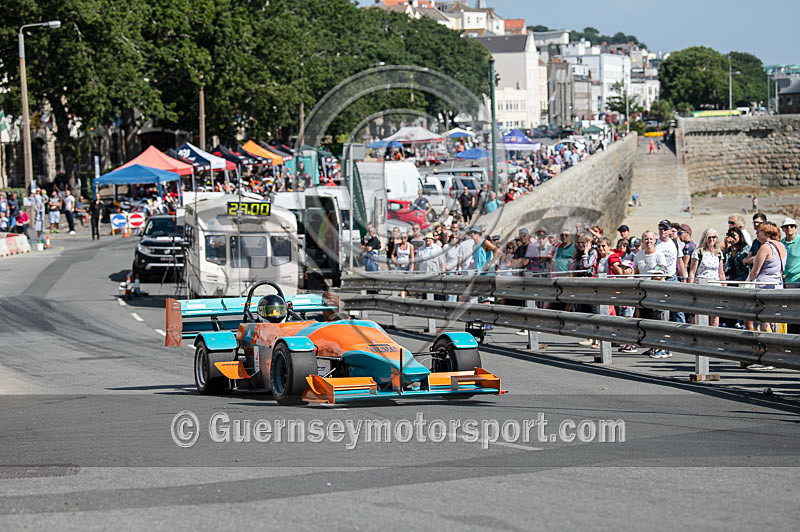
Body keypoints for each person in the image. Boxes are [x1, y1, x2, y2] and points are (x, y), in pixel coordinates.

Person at [747, 221, 787, 369]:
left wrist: (749, 282)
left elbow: (755, 271)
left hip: (764, 286)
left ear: (767, 233)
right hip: (777, 286)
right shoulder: (781, 246)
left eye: (759, 232)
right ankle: (777, 353)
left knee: (763, 319)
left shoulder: (765, 247)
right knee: (775, 320)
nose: (757, 234)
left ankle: (770, 355)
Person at [634, 231, 670, 358]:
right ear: (642, 241)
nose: (648, 241)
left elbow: (664, 273)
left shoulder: (659, 255)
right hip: (644, 292)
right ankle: (653, 346)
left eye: (651, 239)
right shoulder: (638, 255)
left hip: (657, 292)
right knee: (649, 321)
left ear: (655, 241)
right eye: (646, 239)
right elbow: (636, 272)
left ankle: (665, 348)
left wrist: (656, 278)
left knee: (660, 320)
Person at [687, 228, 726, 327]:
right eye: (709, 237)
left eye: (714, 237)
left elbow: (721, 272)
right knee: (700, 313)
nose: (712, 240)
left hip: (716, 285)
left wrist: (724, 286)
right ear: (705, 238)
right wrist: (690, 287)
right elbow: (692, 271)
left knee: (715, 313)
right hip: (702, 284)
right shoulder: (698, 252)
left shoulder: (718, 253)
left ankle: (714, 335)